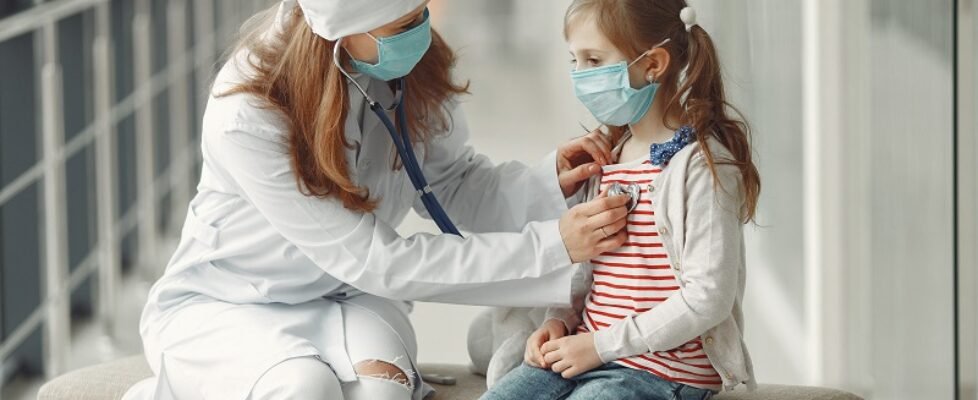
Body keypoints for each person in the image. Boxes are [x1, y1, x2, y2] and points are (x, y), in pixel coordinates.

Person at [121, 1, 631, 399]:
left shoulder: (405, 66)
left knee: (382, 391)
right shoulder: (249, 113)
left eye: (421, 15)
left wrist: (547, 183)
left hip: (345, 294)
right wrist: (551, 245)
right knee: (302, 388)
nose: (421, 33)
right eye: (402, 24)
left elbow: (450, 179)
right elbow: (376, 260)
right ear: (345, 26)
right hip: (234, 299)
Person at [482, 0, 762, 399]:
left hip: (662, 370)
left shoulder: (701, 166)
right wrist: (558, 320)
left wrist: (600, 346)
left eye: (594, 60)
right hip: (586, 352)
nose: (579, 75)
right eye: (575, 60)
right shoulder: (611, 155)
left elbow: (708, 298)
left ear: (653, 64)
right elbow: (587, 269)